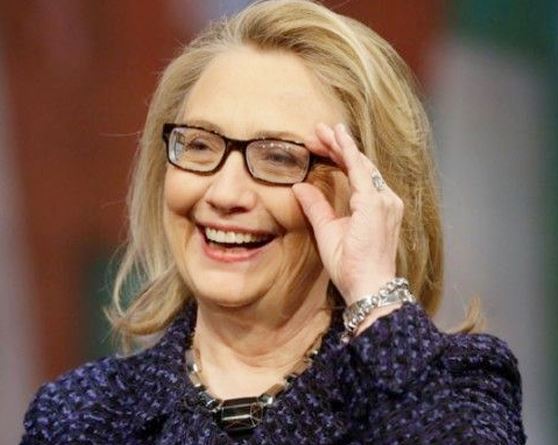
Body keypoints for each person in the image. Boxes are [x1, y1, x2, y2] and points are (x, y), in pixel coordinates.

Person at [20, 0, 526, 443]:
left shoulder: (459, 384)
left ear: (367, 191)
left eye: (279, 157)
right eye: (200, 146)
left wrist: (375, 295)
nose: (225, 194)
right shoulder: (80, 416)